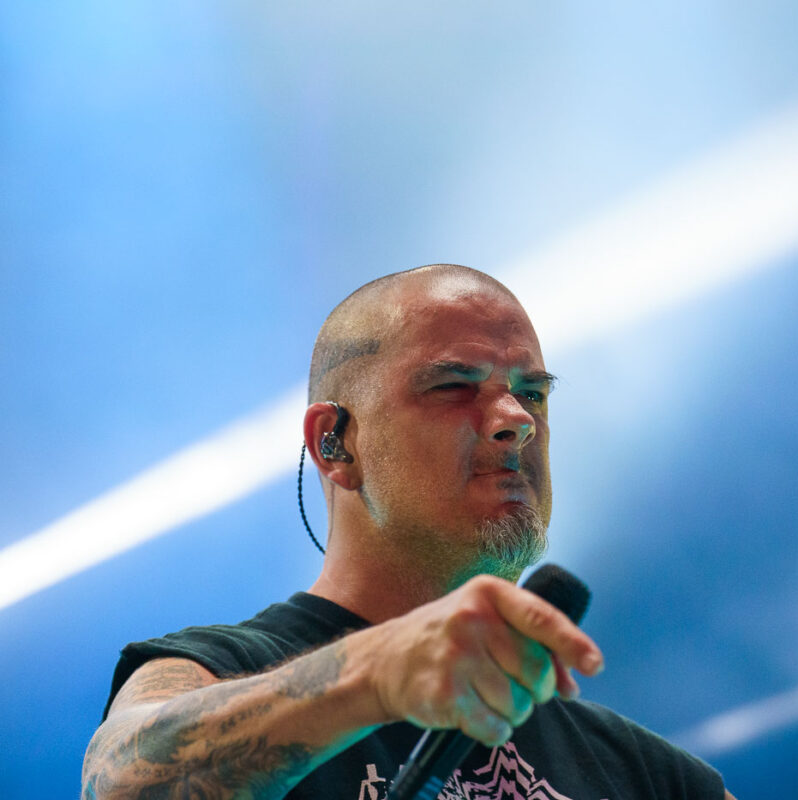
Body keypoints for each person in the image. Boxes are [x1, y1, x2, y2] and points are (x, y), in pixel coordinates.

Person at [82, 264, 734, 799]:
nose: (516, 419)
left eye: (533, 392)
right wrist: (378, 671)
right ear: (335, 443)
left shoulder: (645, 776)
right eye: (455, 386)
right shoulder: (220, 670)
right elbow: (122, 786)